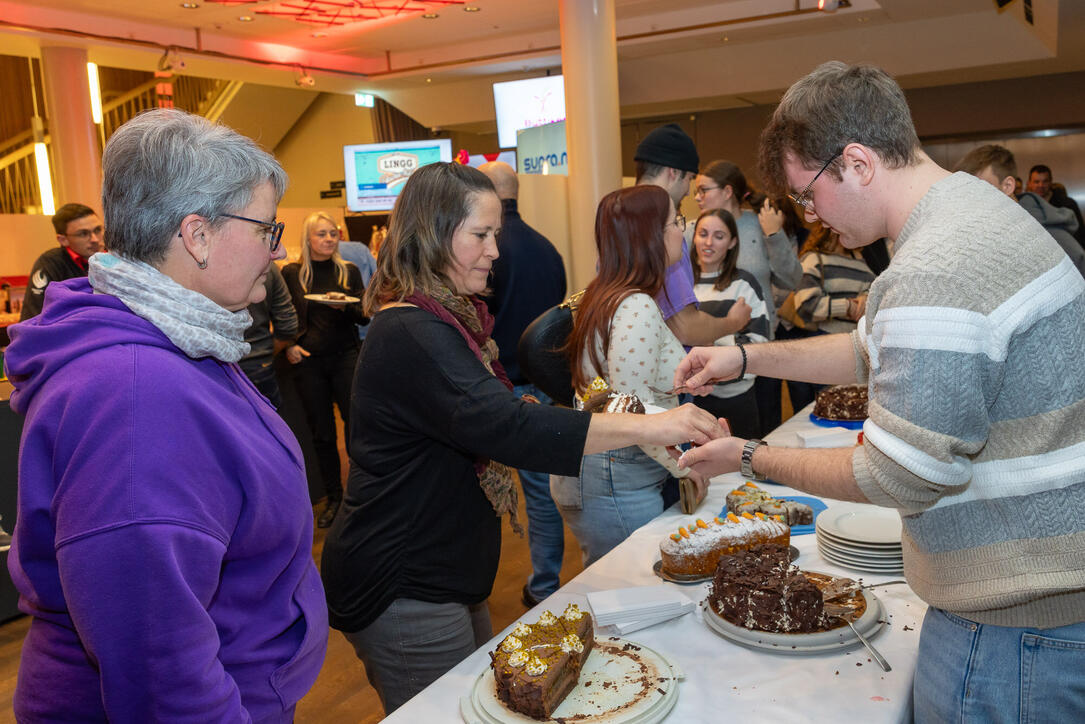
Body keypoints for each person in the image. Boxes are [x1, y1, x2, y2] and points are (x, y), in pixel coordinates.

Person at [673, 61, 1085, 722]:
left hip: (1012, 630)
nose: (810, 214)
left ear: (857, 163)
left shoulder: (935, 265)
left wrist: (748, 457)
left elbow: (899, 476)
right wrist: (743, 357)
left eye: (809, 194)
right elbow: (871, 347)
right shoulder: (966, 212)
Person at [319, 163, 721, 716]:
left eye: (495, 236)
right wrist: (656, 424)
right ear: (434, 235)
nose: (495, 252)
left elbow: (485, 415)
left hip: (442, 572)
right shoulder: (412, 329)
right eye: (480, 236)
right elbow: (506, 426)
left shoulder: (446, 320)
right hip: (403, 579)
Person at [2, 109, 326, 719]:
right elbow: (160, 668)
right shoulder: (136, 397)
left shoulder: (181, 338)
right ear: (197, 235)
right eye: (266, 228)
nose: (276, 250)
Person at [551, 185, 710, 566]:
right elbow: (631, 410)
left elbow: (625, 389)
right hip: (617, 473)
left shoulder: (609, 294)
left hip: (611, 468)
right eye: (675, 222)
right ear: (650, 236)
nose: (681, 232)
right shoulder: (635, 304)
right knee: (635, 589)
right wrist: (687, 468)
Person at [478, 160, 569, 607]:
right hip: (544, 387)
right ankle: (545, 584)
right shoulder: (547, 249)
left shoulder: (484, 253)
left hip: (495, 388)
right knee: (541, 495)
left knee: (480, 490)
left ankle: (480, 588)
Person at [282, 212, 368, 528]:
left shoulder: (349, 271)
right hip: (310, 362)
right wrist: (289, 345)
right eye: (322, 234)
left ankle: (363, 496)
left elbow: (364, 315)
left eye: (333, 233)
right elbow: (285, 314)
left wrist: (348, 306)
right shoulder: (293, 274)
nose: (329, 239)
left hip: (346, 356)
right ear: (308, 238)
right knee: (322, 434)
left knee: (355, 428)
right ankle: (335, 498)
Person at [634, 124, 751, 346]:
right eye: (689, 180)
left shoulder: (615, 217)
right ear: (673, 172)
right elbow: (686, 328)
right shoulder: (659, 229)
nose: (689, 192)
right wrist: (733, 322)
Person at [689, 208, 770, 438]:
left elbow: (759, 344)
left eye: (719, 236)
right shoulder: (683, 285)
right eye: (703, 234)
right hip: (692, 400)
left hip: (737, 400)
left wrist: (704, 342)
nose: (708, 242)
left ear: (732, 242)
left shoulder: (745, 284)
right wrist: (729, 329)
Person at [955, 145, 1085, 275]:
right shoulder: (985, 231)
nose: (972, 197)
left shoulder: (1050, 235)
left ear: (1008, 186)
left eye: (980, 187)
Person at [19, 203, 105, 321]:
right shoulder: (50, 263)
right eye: (83, 234)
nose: (95, 239)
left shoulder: (117, 256)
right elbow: (33, 317)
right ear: (63, 240)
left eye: (98, 230)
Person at [792, 224, 875, 334]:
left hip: (857, 340)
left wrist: (866, 298)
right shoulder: (813, 259)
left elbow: (876, 289)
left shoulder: (859, 260)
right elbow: (806, 306)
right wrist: (847, 307)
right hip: (824, 339)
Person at [239, 262, 298, 409]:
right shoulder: (268, 265)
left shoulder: (199, 262)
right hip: (259, 365)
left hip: (206, 369)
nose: (280, 253)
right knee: (264, 428)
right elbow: (287, 325)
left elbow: (288, 325)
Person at [1027, 163, 1085, 246]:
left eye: (1045, 181)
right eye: (1036, 182)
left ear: (1051, 182)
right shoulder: (1024, 206)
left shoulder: (1068, 204)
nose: (1041, 185)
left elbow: (1080, 235)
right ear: (1029, 183)